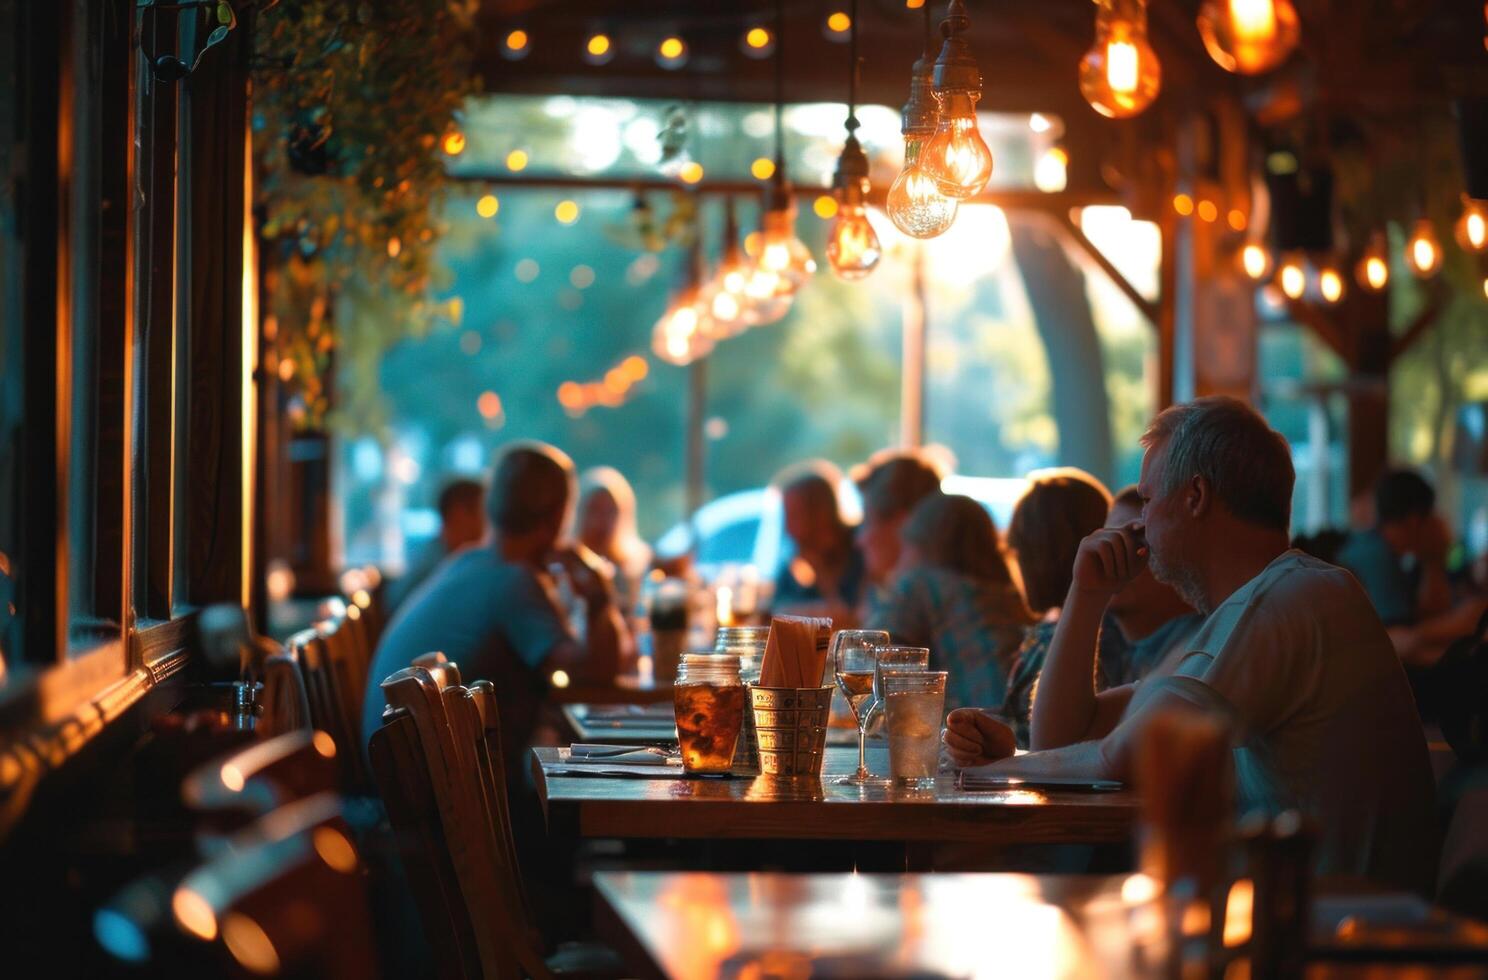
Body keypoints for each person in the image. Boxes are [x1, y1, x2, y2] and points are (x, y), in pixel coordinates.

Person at [946, 397, 1437, 892]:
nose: (1136, 527)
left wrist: (996, 771)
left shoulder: (1287, 598)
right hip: (1308, 912)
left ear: (1195, 496)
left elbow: (1124, 754)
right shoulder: (1265, 601)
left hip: (1333, 934)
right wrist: (1088, 594)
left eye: (1148, 500)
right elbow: (1070, 735)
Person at [361, 442, 630, 774]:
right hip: (441, 799)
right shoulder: (512, 580)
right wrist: (599, 595)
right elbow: (596, 673)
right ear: (559, 515)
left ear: (491, 506)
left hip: (401, 781)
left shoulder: (472, 561)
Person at [866, 493, 1035, 711]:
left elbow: (872, 660)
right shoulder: (1010, 597)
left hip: (974, 729)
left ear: (919, 544)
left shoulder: (922, 583)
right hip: (1026, 726)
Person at [997, 468, 1112, 747]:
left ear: (1045, 554)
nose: (1016, 567)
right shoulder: (1107, 630)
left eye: (1019, 550)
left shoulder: (1073, 640)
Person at [1335, 469, 1488, 667]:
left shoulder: (1383, 550)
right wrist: (1461, 623)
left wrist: (1434, 559)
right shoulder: (1376, 555)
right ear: (1415, 520)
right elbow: (1399, 640)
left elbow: (1425, 618)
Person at [1093, 486, 1205, 690]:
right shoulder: (1129, 654)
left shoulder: (1198, 654)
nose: (1111, 553)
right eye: (1108, 537)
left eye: (1134, 539)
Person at [852, 449, 945, 618]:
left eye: (868, 522)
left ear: (903, 524)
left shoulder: (916, 611)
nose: (860, 540)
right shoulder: (884, 592)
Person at [771, 461, 866, 621]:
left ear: (822, 514)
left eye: (794, 516)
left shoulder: (864, 547)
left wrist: (820, 572)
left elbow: (854, 619)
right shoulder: (794, 561)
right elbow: (775, 614)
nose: (788, 529)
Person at [385, 477, 488, 612]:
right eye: (483, 513)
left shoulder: (436, 552)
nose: (487, 525)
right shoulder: (441, 567)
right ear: (459, 514)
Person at [577, 466, 652, 618]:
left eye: (610, 511)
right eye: (594, 510)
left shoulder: (638, 566)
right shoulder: (567, 567)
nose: (602, 521)